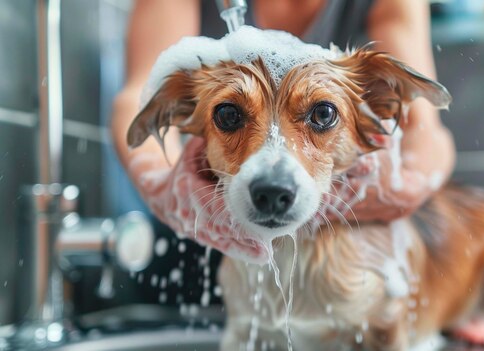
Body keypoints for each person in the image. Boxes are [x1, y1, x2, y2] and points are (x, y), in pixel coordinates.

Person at [111, 0, 456, 259]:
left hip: (350, 248)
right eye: (231, 116)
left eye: (322, 115)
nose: (274, 181)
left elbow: (425, 129)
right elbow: (139, 96)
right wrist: (161, 183)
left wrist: (404, 190)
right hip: (203, 244)